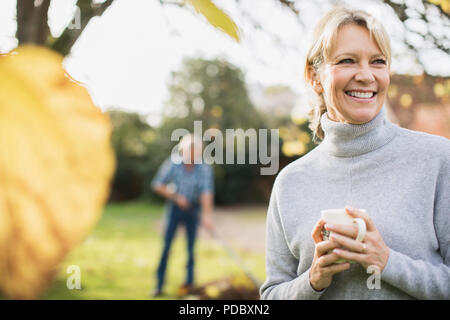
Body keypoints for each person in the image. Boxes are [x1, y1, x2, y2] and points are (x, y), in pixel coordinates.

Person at [260, 7, 450, 299]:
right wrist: (312, 280)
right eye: (347, 61)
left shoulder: (438, 160)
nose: (365, 76)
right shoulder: (290, 182)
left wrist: (386, 261)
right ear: (314, 77)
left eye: (378, 62)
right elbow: (271, 295)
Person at [150, 133, 214, 297]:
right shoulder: (173, 163)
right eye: (190, 152)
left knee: (191, 249)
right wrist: (176, 197)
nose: (193, 156)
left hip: (193, 210)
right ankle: (159, 285)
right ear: (183, 151)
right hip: (175, 209)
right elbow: (157, 184)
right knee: (167, 246)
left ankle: (189, 286)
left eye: (197, 153)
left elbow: (206, 193)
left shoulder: (204, 168)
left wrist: (207, 216)